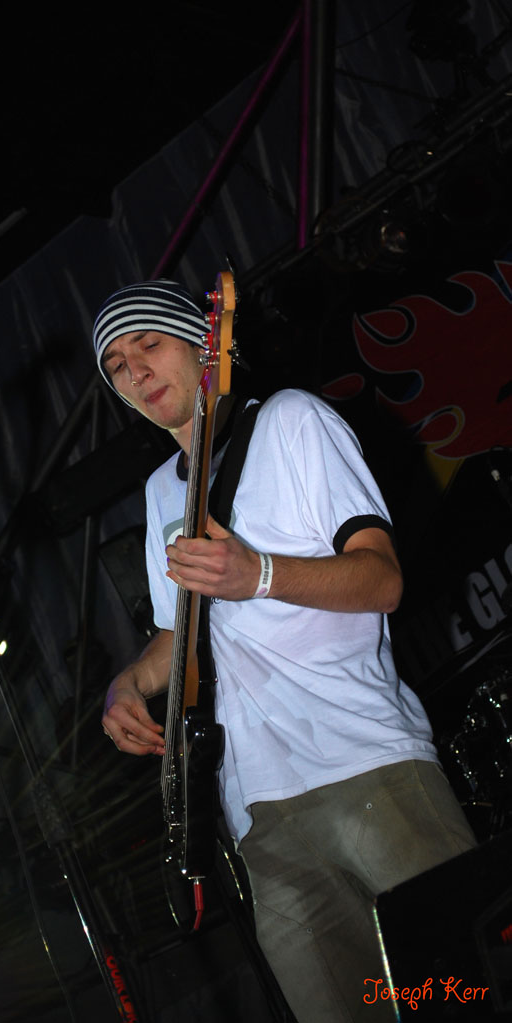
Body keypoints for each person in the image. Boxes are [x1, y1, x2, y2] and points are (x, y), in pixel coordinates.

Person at [94, 279, 476, 1023]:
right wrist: (128, 684)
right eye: (115, 366)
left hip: (366, 762)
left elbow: (382, 579)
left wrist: (259, 574)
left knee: (461, 992)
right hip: (256, 816)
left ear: (206, 345)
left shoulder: (290, 420)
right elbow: (182, 629)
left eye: (149, 344)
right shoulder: (159, 492)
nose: (134, 370)